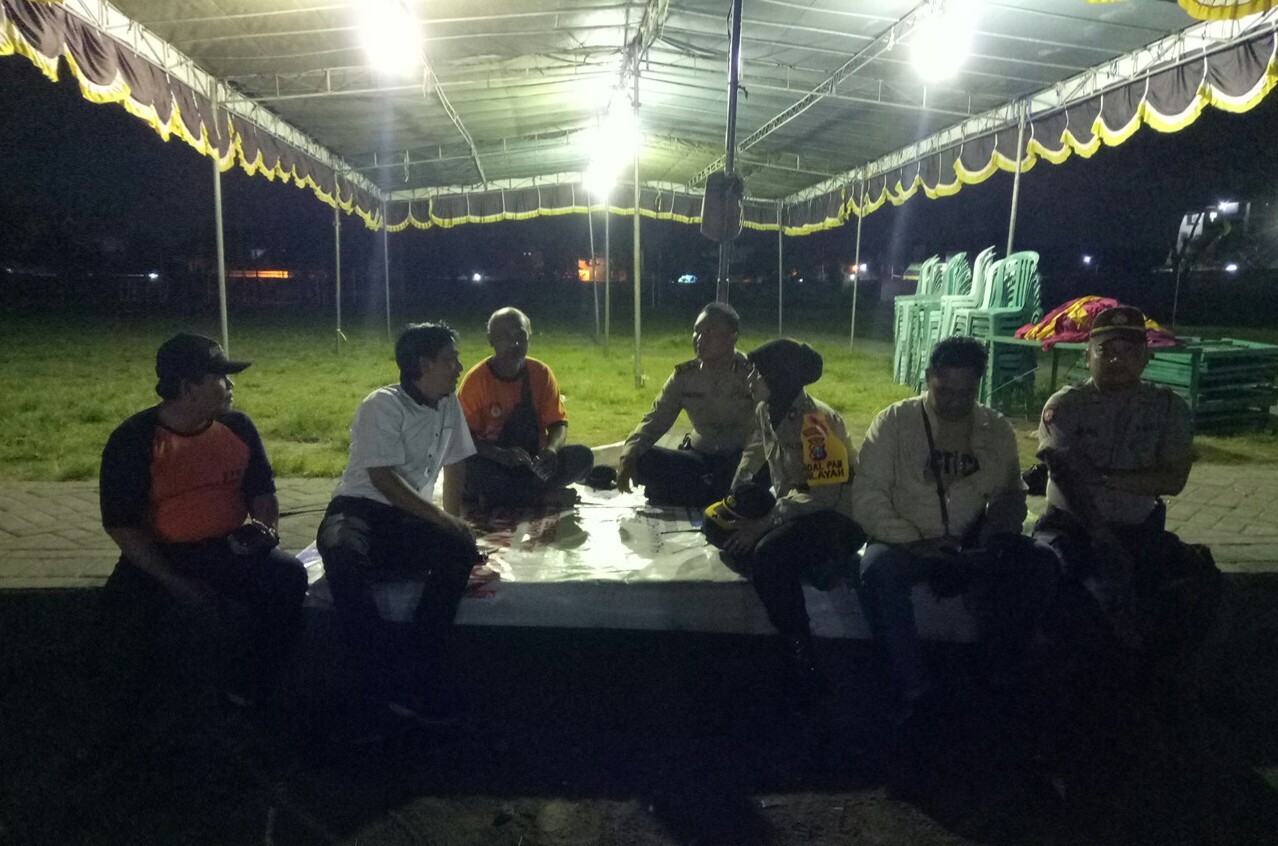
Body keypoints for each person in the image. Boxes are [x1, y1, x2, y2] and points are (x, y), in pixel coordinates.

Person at [96, 333, 307, 720]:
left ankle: (248, 687)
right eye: (220, 378)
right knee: (119, 626)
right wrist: (174, 581)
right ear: (188, 387)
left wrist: (265, 532)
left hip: (228, 547)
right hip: (160, 555)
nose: (231, 386)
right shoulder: (134, 439)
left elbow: (262, 492)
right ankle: (125, 717)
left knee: (288, 578)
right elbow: (122, 525)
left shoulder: (238, 427)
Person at [855, 336, 1056, 721]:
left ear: (978, 385)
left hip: (969, 541)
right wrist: (913, 541)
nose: (953, 402)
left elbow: (1010, 493)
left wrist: (992, 535)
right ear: (929, 376)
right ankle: (911, 683)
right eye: (944, 391)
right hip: (906, 542)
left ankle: (999, 671)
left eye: (965, 394)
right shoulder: (894, 422)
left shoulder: (995, 427)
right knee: (877, 571)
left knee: (1041, 563)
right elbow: (867, 494)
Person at [316, 322, 481, 724]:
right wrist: (442, 519)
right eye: (451, 359)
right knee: (342, 554)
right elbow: (383, 479)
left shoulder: (448, 403)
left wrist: (454, 524)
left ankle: (420, 658)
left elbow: (456, 463)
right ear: (424, 364)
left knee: (460, 550)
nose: (459, 367)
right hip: (359, 509)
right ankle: (377, 674)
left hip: (406, 516)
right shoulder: (382, 405)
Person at [1033, 305, 1219, 661]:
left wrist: (1102, 477)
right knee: (1053, 581)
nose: (1117, 359)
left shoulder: (1168, 408)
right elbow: (1067, 476)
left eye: (1130, 351)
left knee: (1197, 579)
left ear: (1147, 357)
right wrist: (1102, 532)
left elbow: (1173, 480)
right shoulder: (1067, 405)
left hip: (1137, 529)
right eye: (1106, 350)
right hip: (1071, 529)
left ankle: (1168, 672)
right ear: (1087, 355)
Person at [718, 339, 865, 694]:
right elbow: (761, 451)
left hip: (837, 518)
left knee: (767, 554)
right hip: (796, 505)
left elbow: (825, 495)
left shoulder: (817, 423)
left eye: (757, 373)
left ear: (779, 378)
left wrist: (766, 522)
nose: (750, 379)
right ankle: (814, 567)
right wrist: (739, 490)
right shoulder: (766, 409)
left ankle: (800, 650)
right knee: (721, 529)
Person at [617, 303, 757, 507]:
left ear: (732, 337)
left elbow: (766, 430)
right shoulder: (684, 376)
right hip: (698, 458)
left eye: (710, 333)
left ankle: (697, 493)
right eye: (697, 331)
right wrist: (629, 454)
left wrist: (746, 468)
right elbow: (656, 418)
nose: (700, 339)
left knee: (754, 478)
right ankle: (712, 494)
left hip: (740, 459)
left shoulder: (751, 374)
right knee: (643, 460)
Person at [457, 307, 593, 507]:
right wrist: (499, 454)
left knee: (583, 457)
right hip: (495, 463)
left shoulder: (541, 373)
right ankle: (542, 496)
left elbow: (558, 423)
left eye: (520, 335)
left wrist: (552, 450)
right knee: (470, 470)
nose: (515, 343)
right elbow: (461, 438)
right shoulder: (476, 382)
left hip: (534, 463)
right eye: (505, 336)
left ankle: (515, 495)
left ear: (529, 336)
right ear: (491, 340)